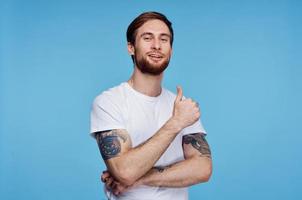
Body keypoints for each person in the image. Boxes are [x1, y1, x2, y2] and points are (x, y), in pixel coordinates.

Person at [90, 11, 212, 200]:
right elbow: (125, 171)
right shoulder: (109, 102)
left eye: (164, 39)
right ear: (131, 47)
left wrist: (141, 178)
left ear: (171, 49)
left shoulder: (181, 105)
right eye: (147, 38)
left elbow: (203, 168)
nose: (156, 45)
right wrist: (176, 123)